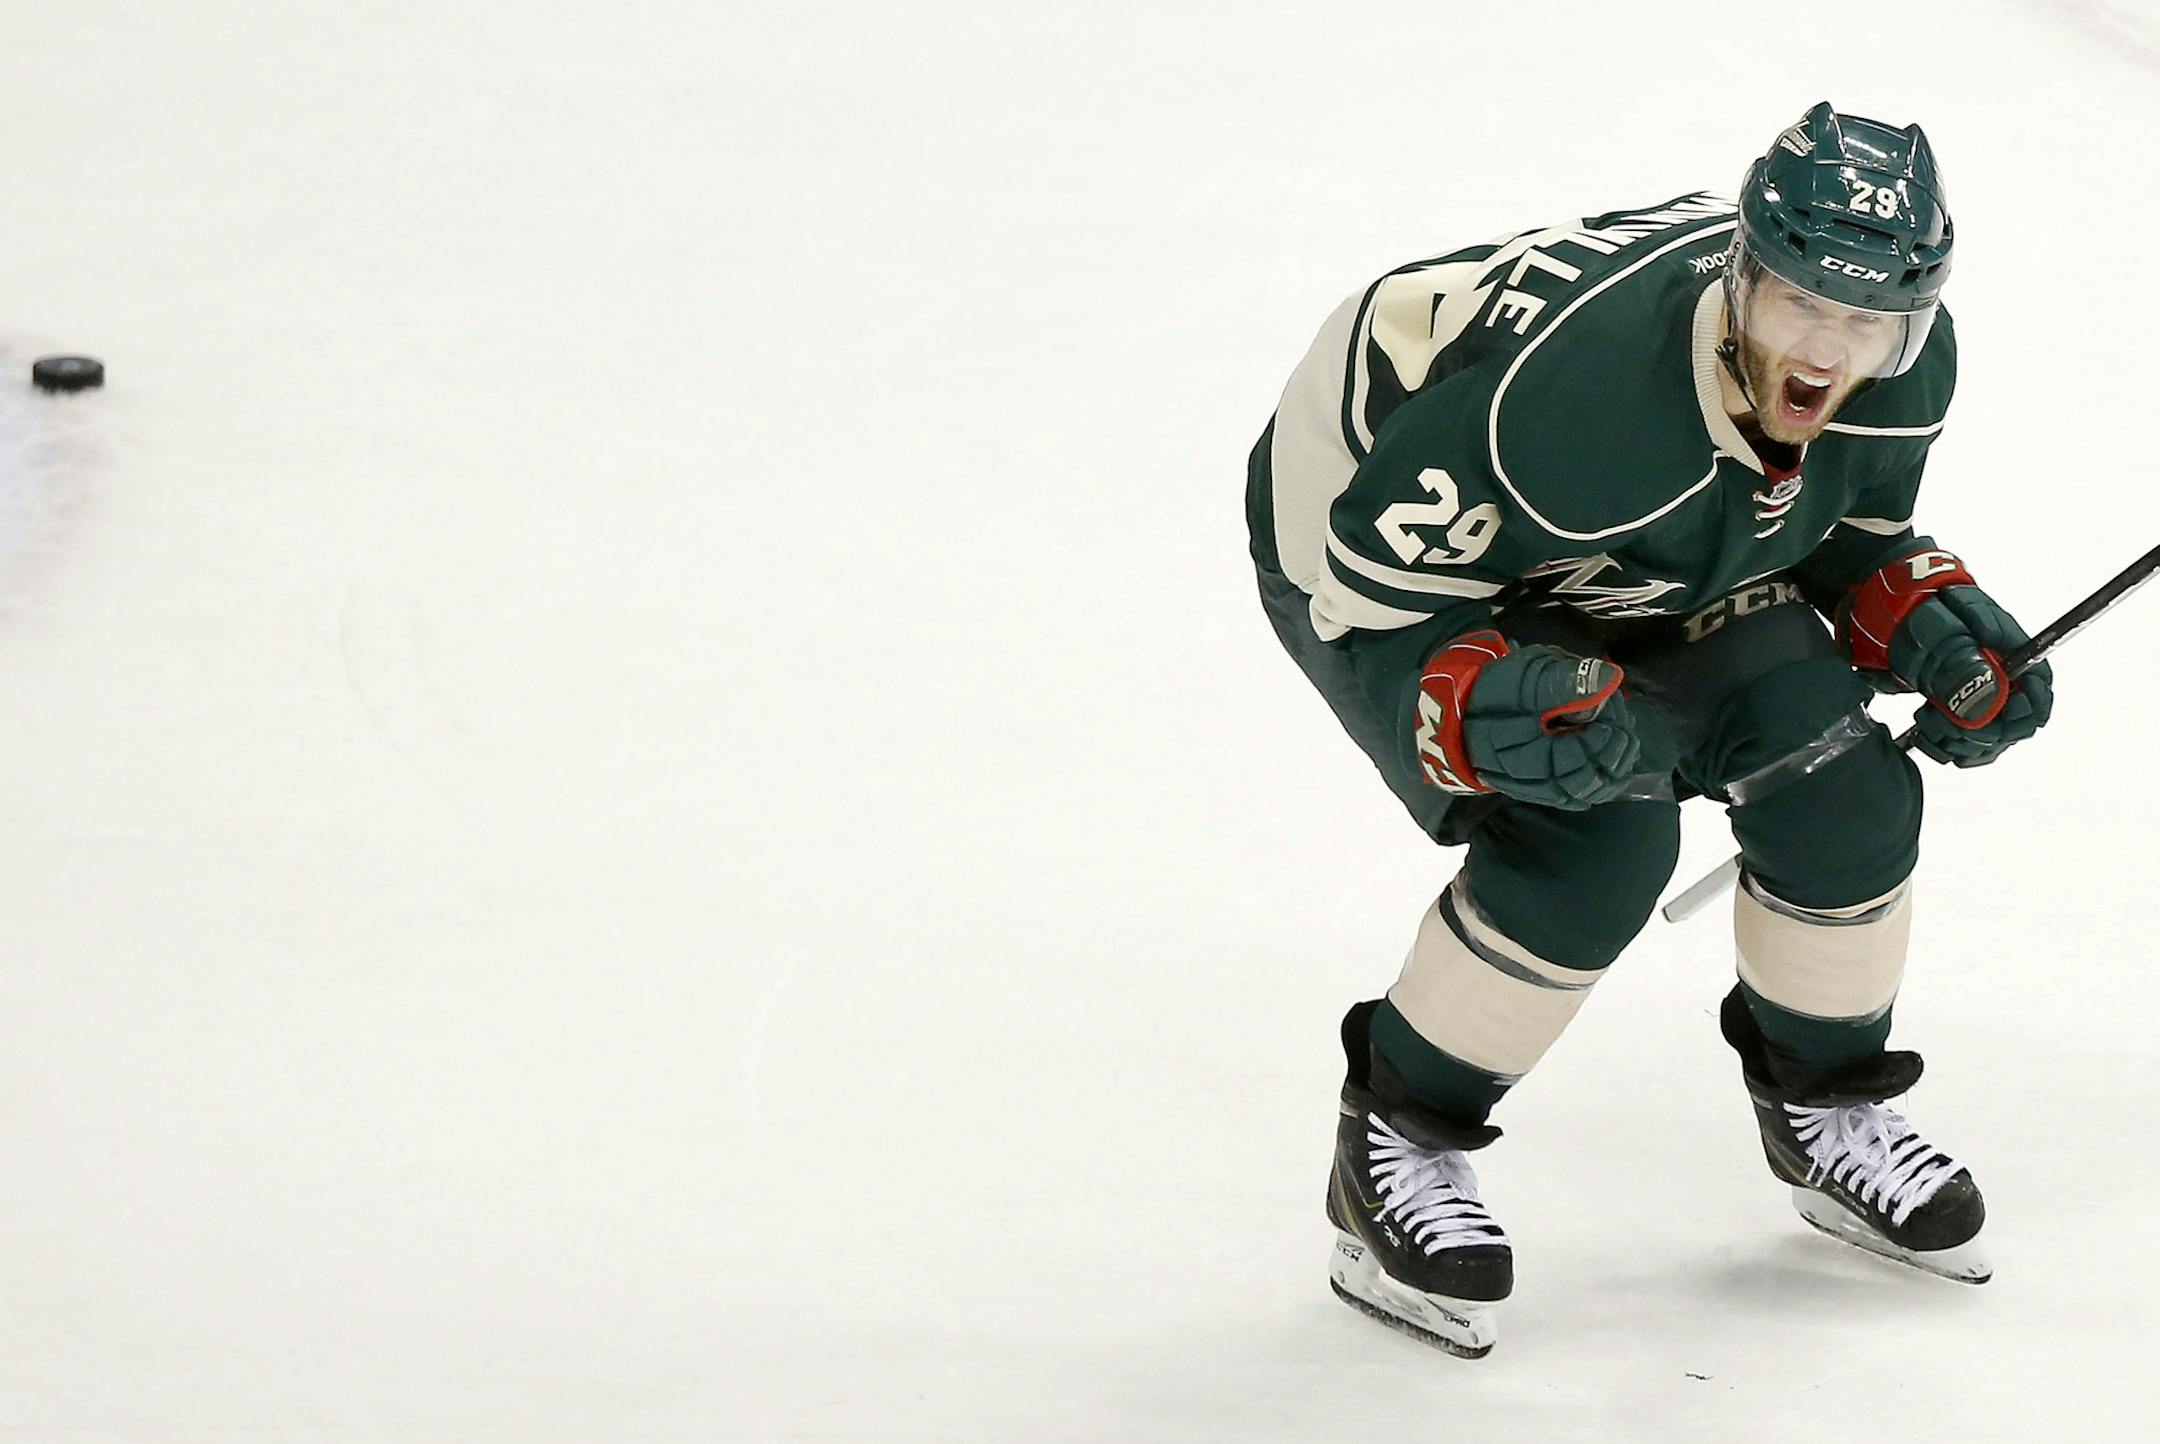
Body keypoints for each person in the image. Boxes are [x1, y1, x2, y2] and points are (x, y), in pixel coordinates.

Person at [1246, 103, 2055, 1358]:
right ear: (1741, 272)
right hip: (1374, 547)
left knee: (1843, 789)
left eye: (1869, 322)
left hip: (1636, 554)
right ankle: (1395, 1138)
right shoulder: (1559, 406)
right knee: (1595, 821)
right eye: (1802, 306)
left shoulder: (1908, 367)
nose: (1832, 352)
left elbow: (1838, 538)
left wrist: (1919, 613)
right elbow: (1367, 592)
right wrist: (1474, 697)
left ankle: (1822, 1108)